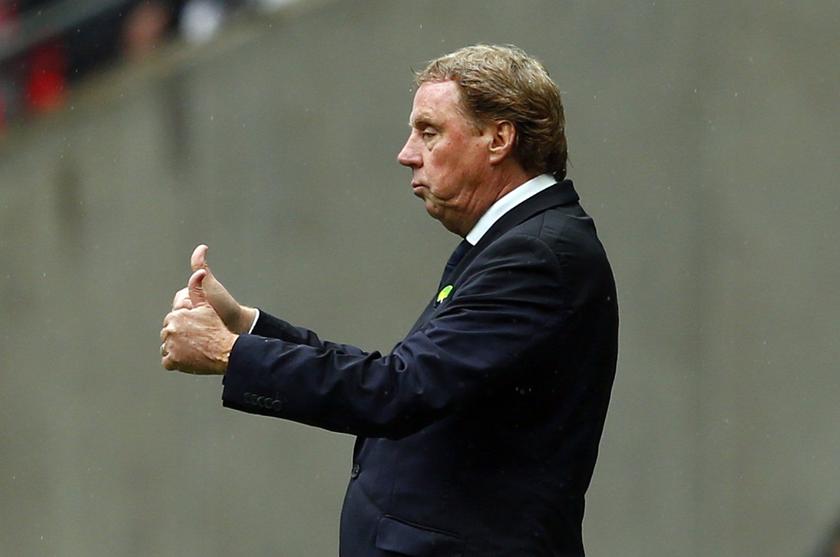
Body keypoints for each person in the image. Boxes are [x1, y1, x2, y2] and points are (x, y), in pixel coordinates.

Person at [160, 44, 618, 557]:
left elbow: (398, 390)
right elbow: (404, 377)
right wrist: (245, 325)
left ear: (499, 137)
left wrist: (229, 354)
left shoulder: (535, 253)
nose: (407, 153)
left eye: (429, 131)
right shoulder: (519, 243)